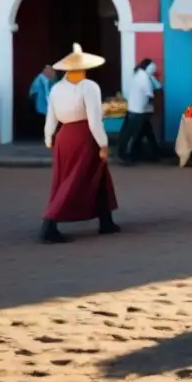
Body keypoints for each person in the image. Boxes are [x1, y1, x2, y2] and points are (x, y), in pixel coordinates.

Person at [40, 43, 119, 244]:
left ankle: (106, 220)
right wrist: (103, 143)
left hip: (64, 136)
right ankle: (49, 223)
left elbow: (51, 117)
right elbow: (94, 120)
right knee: (74, 180)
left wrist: (49, 136)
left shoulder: (56, 88)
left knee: (92, 176)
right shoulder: (89, 87)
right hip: (84, 137)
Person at [119, 58, 161, 164]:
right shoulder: (144, 78)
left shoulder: (138, 75)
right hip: (139, 111)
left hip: (135, 109)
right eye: (153, 67)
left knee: (144, 132)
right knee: (133, 134)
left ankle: (151, 153)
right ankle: (125, 155)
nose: (154, 70)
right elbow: (150, 94)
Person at [28, 65, 56, 139]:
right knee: (42, 120)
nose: (52, 72)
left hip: (48, 104)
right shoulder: (40, 78)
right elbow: (33, 91)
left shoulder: (51, 80)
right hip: (41, 104)